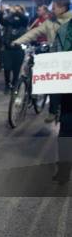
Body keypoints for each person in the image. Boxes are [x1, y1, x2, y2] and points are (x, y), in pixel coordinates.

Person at [13, 0, 71, 122]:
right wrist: (18, 41)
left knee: (67, 91)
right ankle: (53, 111)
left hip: (68, 59)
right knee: (54, 85)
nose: (52, 10)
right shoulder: (50, 22)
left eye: (54, 7)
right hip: (54, 58)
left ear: (62, 8)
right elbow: (35, 32)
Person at [51, 19, 72, 183]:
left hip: (67, 87)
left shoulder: (64, 29)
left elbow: (55, 58)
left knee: (66, 129)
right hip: (68, 88)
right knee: (66, 128)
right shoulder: (63, 30)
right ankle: (64, 169)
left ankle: (64, 170)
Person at [0, 5, 29, 93]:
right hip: (8, 48)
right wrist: (1, 12)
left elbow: (23, 18)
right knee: (7, 68)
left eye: (19, 10)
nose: (16, 11)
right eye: (15, 9)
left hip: (19, 48)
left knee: (16, 69)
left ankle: (14, 84)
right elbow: (0, 20)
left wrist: (15, 11)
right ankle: (7, 84)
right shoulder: (9, 21)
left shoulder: (24, 21)